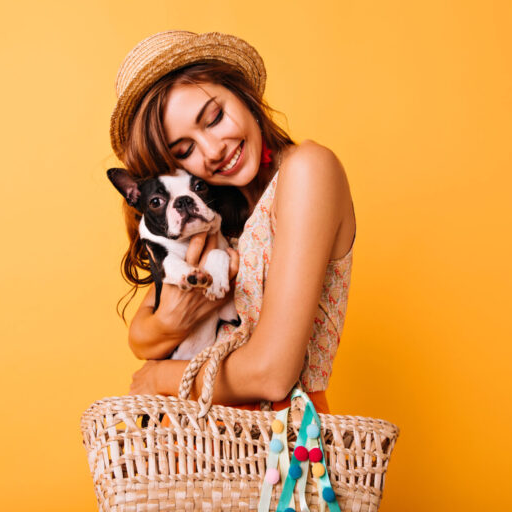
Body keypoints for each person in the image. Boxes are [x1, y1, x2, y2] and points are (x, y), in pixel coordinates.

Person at [110, 31, 355, 414]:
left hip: (282, 455)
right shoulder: (216, 212)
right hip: (200, 449)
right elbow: (141, 336)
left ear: (241, 92)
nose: (213, 150)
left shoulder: (308, 171)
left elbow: (272, 374)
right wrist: (170, 323)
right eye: (186, 150)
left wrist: (156, 378)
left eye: (214, 117)